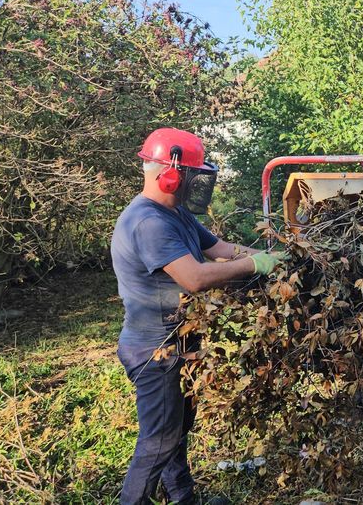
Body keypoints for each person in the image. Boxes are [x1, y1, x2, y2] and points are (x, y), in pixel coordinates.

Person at [111, 127, 281, 505]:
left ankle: (183, 499)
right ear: (171, 174)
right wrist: (254, 264)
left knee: (176, 428)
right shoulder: (148, 222)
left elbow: (220, 249)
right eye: (192, 175)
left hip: (178, 343)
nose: (194, 184)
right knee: (158, 439)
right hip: (154, 351)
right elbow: (194, 277)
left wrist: (277, 259)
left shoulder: (177, 214)